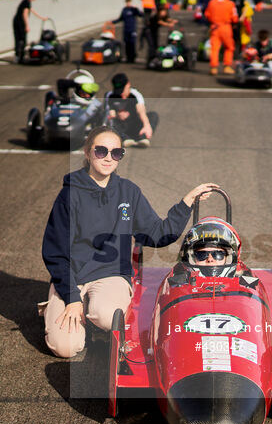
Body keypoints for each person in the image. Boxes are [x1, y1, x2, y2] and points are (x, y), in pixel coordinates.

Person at [39, 125, 218, 358]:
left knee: (106, 316)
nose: (108, 158)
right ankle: (60, 306)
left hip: (111, 274)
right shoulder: (69, 194)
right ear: (87, 152)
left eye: (116, 153)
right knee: (65, 348)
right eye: (101, 151)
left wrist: (186, 203)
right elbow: (55, 251)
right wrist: (71, 298)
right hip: (72, 276)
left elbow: (158, 233)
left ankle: (90, 315)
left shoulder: (128, 192)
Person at [105, 73, 157, 148]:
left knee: (153, 115)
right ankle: (124, 139)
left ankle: (143, 137)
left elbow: (141, 111)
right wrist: (117, 115)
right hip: (120, 126)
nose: (121, 94)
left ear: (128, 84)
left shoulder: (135, 95)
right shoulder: (110, 95)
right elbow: (109, 114)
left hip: (134, 123)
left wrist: (147, 125)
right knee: (111, 122)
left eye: (123, 91)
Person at [205, 0, 239, 75]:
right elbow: (235, 18)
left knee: (215, 48)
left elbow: (207, 15)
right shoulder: (230, 3)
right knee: (229, 47)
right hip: (226, 27)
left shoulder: (212, 2)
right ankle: (227, 66)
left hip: (215, 27)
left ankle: (213, 68)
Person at [12, 0, 47, 64]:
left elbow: (32, 10)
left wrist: (42, 18)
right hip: (20, 22)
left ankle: (18, 56)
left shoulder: (26, 1)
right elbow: (25, 14)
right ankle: (19, 57)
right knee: (22, 40)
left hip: (17, 21)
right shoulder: (27, 2)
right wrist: (27, 25)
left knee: (19, 39)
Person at [112, 0, 144, 64]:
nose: (128, 3)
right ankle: (128, 57)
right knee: (126, 44)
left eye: (129, 2)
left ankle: (132, 57)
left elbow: (141, 15)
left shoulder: (134, 10)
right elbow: (120, 18)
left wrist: (137, 9)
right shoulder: (124, 10)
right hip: (126, 29)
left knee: (132, 44)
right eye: (127, 2)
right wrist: (112, 22)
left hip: (132, 29)